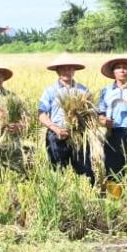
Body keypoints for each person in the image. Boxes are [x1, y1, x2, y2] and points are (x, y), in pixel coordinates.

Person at [37, 53, 94, 183]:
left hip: (79, 135)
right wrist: (55, 129)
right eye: (63, 68)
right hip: (56, 135)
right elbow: (41, 114)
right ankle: (61, 197)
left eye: (69, 68)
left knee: (85, 171)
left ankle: (86, 195)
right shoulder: (50, 91)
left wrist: (81, 126)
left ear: (74, 70)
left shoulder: (83, 91)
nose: (66, 71)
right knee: (57, 171)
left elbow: (91, 114)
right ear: (57, 71)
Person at [97, 57, 127, 196]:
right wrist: (103, 121)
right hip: (113, 133)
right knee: (113, 168)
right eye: (118, 67)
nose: (122, 70)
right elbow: (100, 114)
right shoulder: (105, 91)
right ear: (113, 72)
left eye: (125, 67)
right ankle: (115, 198)